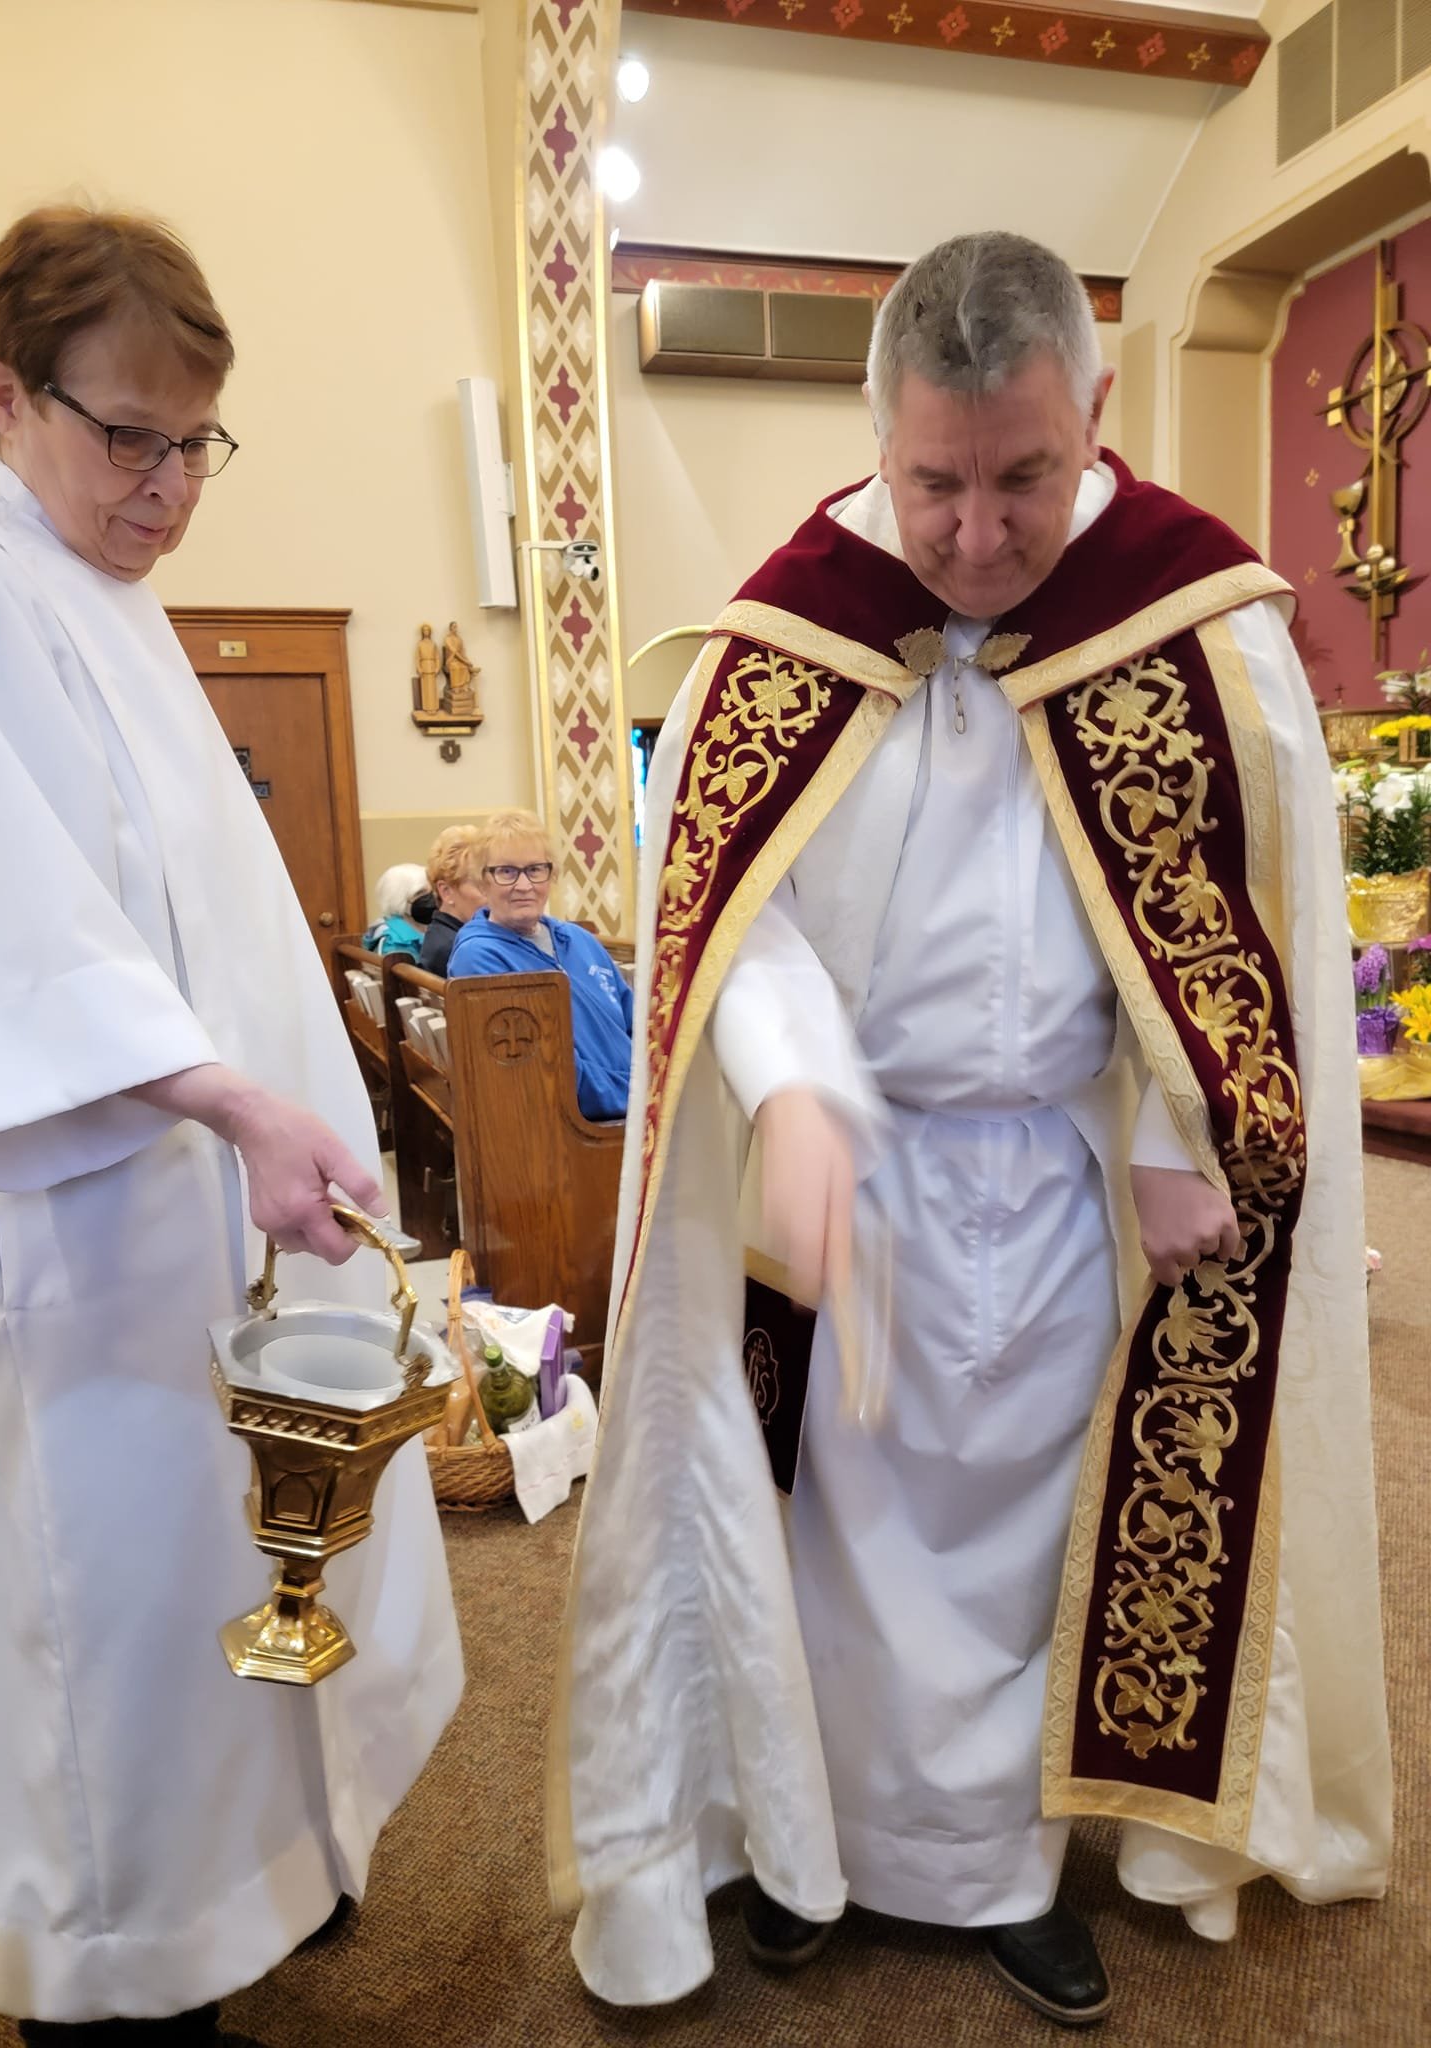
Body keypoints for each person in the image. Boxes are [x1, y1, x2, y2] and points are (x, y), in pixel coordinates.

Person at [548, 233, 1391, 2026]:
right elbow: (726, 909)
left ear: (1094, 413)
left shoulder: (1188, 620)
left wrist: (1187, 1121)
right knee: (835, 1529)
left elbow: (1245, 908)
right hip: (858, 1169)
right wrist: (788, 1090)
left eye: (1025, 478)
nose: (981, 536)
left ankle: (1007, 1871)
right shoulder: (789, 630)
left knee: (1038, 1531)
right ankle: (820, 1841)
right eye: (937, 483)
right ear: (877, 438)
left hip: (1075, 1171)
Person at [0, 207, 463, 2044]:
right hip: (63, 1247)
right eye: (128, 435)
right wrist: (226, 1096)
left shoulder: (112, 605)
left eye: (193, 442)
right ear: (3, 389)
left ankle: (246, 1891)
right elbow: (1, 931)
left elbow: (198, 911)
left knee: (225, 1579)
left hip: (197, 1213)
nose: (166, 486)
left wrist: (286, 1110)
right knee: (114, 1640)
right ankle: (127, 1972)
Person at [447, 809, 632, 1119]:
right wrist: (640, 1097)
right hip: (583, 1126)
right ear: (483, 882)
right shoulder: (478, 958)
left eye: (535, 869)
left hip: (634, 1109)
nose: (524, 885)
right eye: (506, 871)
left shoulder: (578, 939)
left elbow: (634, 1020)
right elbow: (549, 1071)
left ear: (551, 875)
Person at [417, 824, 485, 976]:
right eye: (481, 885)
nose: (493, 894)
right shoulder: (457, 949)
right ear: (446, 891)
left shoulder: (442, 935)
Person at [362, 860, 430, 957]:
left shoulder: (416, 926)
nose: (429, 897)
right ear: (398, 898)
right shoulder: (396, 944)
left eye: (430, 891)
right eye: (420, 893)